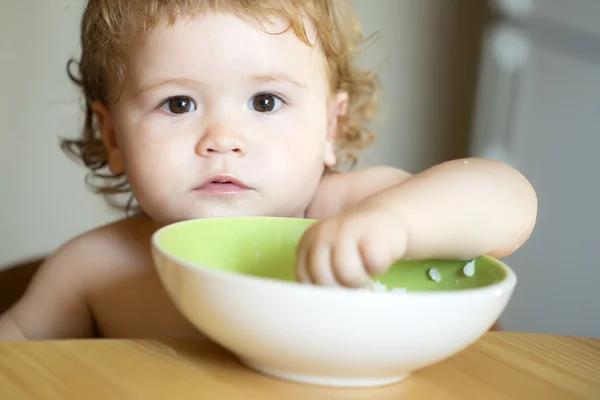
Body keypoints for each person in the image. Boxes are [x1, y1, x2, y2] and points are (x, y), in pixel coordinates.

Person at [0, 0, 537, 341]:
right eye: (179, 104)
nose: (224, 141)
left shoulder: (350, 213)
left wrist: (396, 223)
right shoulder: (95, 270)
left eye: (264, 102)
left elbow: (509, 201)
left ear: (330, 127)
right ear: (113, 136)